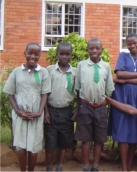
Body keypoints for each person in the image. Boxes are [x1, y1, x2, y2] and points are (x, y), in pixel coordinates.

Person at [108, 33, 137, 171]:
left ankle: (129, 165)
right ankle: (123, 167)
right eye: (129, 44)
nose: (132, 46)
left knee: (135, 129)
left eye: (135, 43)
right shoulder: (123, 56)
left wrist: (127, 80)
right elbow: (119, 74)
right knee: (122, 130)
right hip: (121, 96)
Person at [3, 43, 51, 171]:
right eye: (30, 53)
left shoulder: (43, 72)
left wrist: (40, 112)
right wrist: (18, 112)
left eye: (36, 54)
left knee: (34, 145)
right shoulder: (16, 72)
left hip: (36, 115)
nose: (33, 56)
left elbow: (44, 94)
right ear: (25, 53)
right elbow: (10, 94)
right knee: (21, 145)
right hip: (20, 115)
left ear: (40, 55)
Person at [74, 38, 115, 171]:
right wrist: (78, 109)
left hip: (101, 107)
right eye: (91, 48)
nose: (94, 50)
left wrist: (105, 101)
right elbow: (78, 88)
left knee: (99, 139)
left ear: (101, 50)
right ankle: (86, 165)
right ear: (87, 50)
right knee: (85, 139)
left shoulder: (106, 66)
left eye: (97, 48)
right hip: (85, 106)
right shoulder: (81, 65)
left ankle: (95, 165)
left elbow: (109, 88)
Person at [44, 42, 76, 172]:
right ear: (56, 54)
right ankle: (49, 167)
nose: (64, 56)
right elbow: (44, 93)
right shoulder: (49, 70)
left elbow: (79, 93)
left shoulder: (75, 72)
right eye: (61, 54)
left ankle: (60, 166)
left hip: (66, 111)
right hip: (51, 110)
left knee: (64, 141)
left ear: (71, 55)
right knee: (50, 143)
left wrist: (77, 111)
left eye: (67, 54)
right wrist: (45, 111)